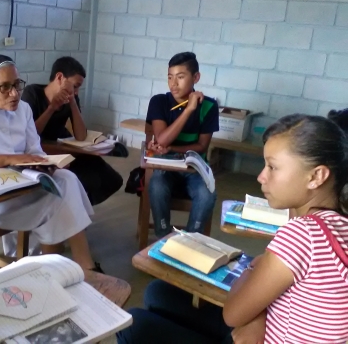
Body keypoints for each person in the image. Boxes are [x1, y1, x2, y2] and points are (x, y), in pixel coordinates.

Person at [119, 114, 348, 343]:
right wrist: (260, 317)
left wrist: (252, 268)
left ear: (316, 176)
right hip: (271, 327)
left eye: (273, 167)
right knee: (157, 292)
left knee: (132, 323)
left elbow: (232, 315)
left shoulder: (302, 235)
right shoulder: (338, 225)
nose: (261, 176)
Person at [0, 54, 102, 272]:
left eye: (17, 85)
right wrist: (7, 159)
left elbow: (34, 150)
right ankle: (67, 268)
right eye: (4, 87)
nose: (14, 93)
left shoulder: (23, 109)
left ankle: (59, 268)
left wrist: (45, 163)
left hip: (19, 185)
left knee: (66, 179)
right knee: (58, 200)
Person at [21, 56, 123, 206]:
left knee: (112, 179)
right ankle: (73, 211)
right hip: (43, 151)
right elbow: (30, 135)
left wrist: (73, 104)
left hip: (63, 146)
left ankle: (80, 209)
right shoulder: (33, 93)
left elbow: (81, 135)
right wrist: (51, 108)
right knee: (88, 180)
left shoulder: (71, 99)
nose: (76, 92)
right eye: (75, 86)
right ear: (60, 77)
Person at [146, 52, 218, 236]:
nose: (173, 84)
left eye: (180, 77)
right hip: (165, 165)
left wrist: (173, 148)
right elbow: (161, 140)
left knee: (207, 193)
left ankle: (192, 240)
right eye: (170, 77)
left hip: (194, 167)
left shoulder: (209, 106)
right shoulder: (159, 101)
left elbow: (202, 146)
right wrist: (188, 110)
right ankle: (162, 236)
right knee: (157, 185)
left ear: (196, 78)